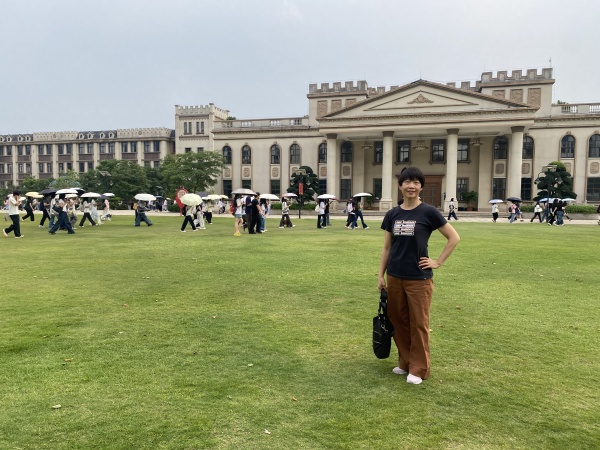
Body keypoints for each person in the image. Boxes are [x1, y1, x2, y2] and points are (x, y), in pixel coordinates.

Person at [377, 167, 460, 385]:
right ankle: (405, 362)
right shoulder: (393, 214)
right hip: (395, 276)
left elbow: (454, 237)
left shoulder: (428, 212)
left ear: (421, 187)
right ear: (400, 186)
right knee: (398, 321)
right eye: (407, 182)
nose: (411, 186)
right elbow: (387, 248)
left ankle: (419, 368)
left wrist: (438, 261)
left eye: (416, 182)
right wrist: (380, 275)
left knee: (419, 323)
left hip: (419, 278)